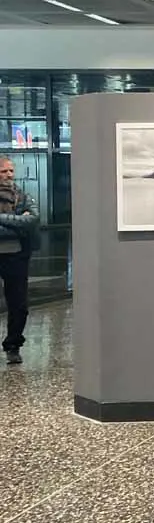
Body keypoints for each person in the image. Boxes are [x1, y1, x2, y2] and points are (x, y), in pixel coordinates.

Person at [0, 157, 40, 366]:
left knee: (19, 305)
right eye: (3, 171)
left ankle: (13, 345)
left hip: (16, 256)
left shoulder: (22, 195)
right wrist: (17, 221)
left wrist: (2, 219)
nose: (8, 175)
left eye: (11, 171)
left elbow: (32, 219)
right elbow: (22, 222)